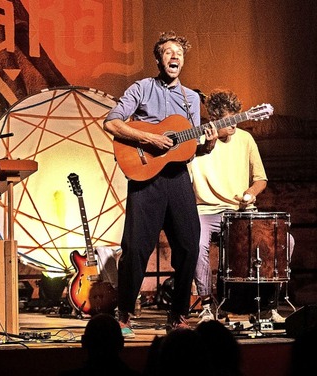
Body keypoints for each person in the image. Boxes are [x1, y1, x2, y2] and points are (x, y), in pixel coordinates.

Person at [103, 31, 216, 337]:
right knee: (136, 249)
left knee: (189, 246)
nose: (174, 57)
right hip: (145, 177)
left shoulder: (191, 98)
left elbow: (189, 145)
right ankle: (124, 314)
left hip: (177, 177)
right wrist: (148, 137)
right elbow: (111, 122)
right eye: (168, 52)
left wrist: (208, 144)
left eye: (178, 52)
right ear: (158, 59)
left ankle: (178, 315)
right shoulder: (142, 88)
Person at [189, 90, 287, 323]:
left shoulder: (245, 139)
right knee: (195, 243)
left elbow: (260, 179)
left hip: (241, 212)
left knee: (284, 241)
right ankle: (206, 305)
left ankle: (267, 304)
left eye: (236, 118)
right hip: (205, 211)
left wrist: (250, 193)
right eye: (228, 119)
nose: (234, 124)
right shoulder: (196, 142)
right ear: (214, 118)